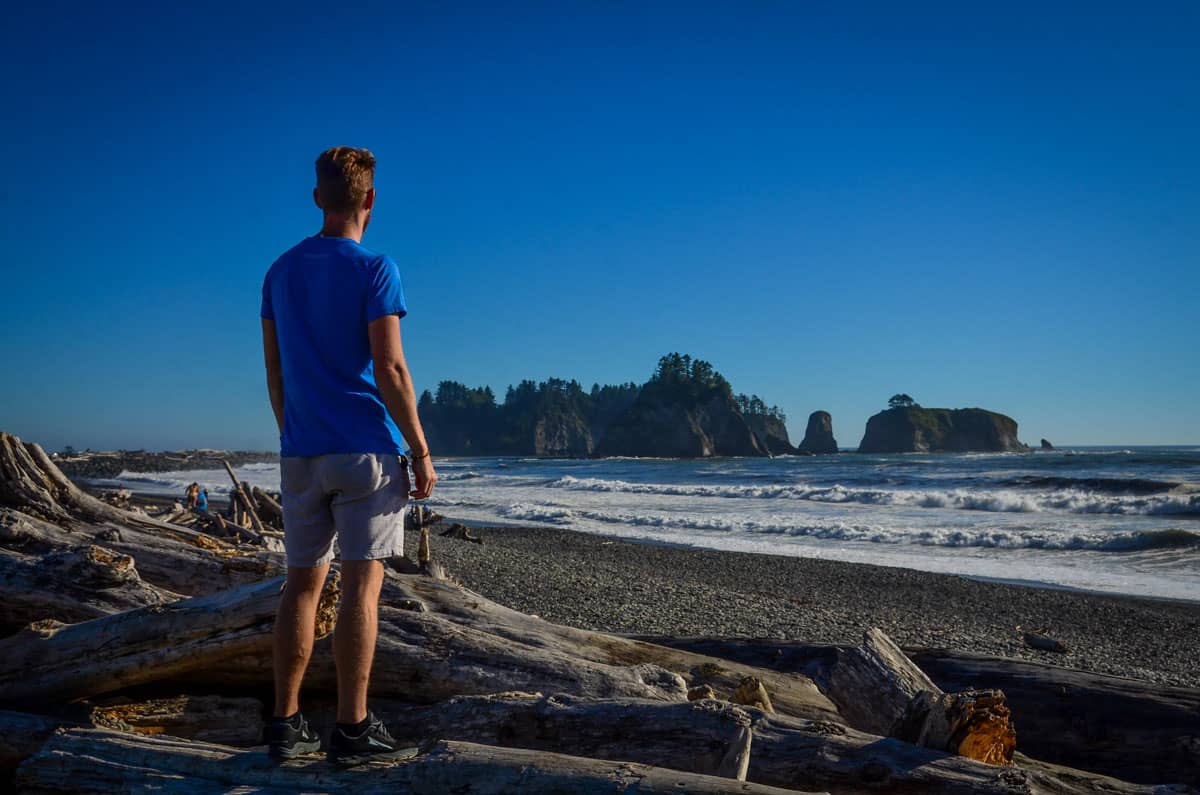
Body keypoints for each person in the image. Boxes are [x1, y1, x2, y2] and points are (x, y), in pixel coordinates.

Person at [260, 146, 437, 765]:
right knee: (362, 589)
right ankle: (353, 728)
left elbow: (275, 375)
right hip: (363, 451)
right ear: (370, 199)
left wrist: (296, 435)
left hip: (301, 451)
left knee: (300, 588)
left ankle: (284, 724)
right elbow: (389, 367)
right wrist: (419, 449)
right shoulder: (375, 268)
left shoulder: (279, 271)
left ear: (317, 198)